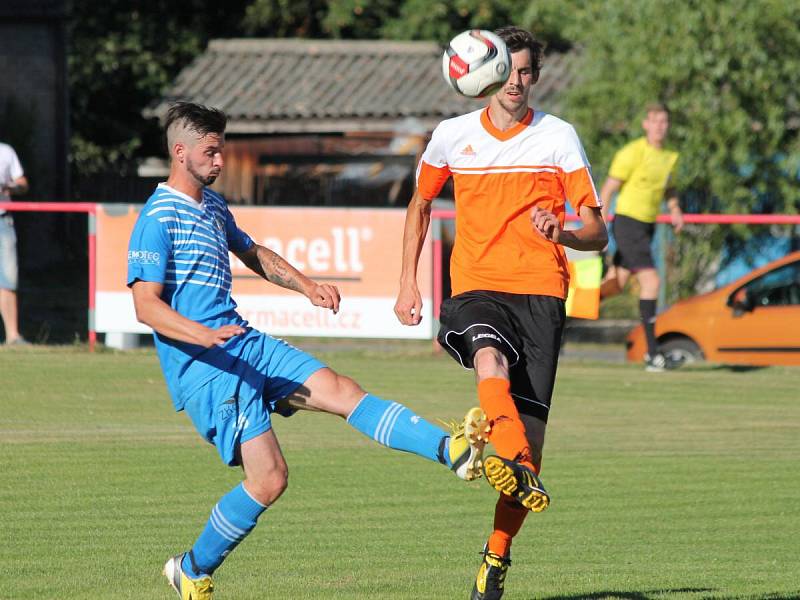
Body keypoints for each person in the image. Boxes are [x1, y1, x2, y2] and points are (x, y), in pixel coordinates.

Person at [127, 102, 490, 600]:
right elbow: (145, 306)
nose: (220, 161)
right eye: (211, 152)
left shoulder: (211, 206)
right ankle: (191, 569)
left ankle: (451, 451)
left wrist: (306, 285)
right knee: (271, 479)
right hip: (206, 366)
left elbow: (251, 251)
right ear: (180, 151)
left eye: (222, 151)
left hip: (242, 342)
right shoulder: (157, 216)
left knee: (342, 390)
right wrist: (202, 334)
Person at [394, 26, 607, 600]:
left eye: (526, 72)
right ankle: (509, 455)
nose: (516, 81)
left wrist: (563, 229)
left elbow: (598, 231)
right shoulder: (450, 137)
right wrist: (407, 283)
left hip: (541, 294)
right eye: (507, 70)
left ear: (535, 76)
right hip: (476, 289)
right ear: (485, 73)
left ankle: (496, 554)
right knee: (487, 357)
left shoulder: (559, 137)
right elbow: (420, 203)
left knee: (531, 449)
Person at [599, 102, 684, 372]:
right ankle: (653, 355)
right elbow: (609, 190)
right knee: (652, 280)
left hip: (647, 227)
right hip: (627, 224)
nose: (660, 126)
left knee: (615, 284)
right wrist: (598, 224)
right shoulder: (632, 153)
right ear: (645, 124)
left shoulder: (670, 157)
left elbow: (669, 188)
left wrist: (675, 209)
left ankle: (563, 310)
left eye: (664, 121)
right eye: (655, 121)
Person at [0, 141, 30, 345]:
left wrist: (8, 186)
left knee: (8, 279)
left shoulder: (5, 151)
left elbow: (23, 183)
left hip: (3, 220)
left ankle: (13, 335)